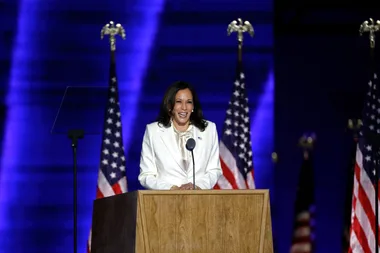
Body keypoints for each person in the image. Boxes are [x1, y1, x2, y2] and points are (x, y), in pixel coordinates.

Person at [138, 81, 222, 190]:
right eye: (178, 102)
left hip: (199, 200)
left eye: (189, 102)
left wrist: (197, 186)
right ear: (169, 106)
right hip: (166, 201)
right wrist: (171, 188)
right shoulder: (153, 131)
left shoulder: (208, 129)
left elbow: (214, 170)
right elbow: (146, 175)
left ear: (193, 106)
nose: (184, 107)